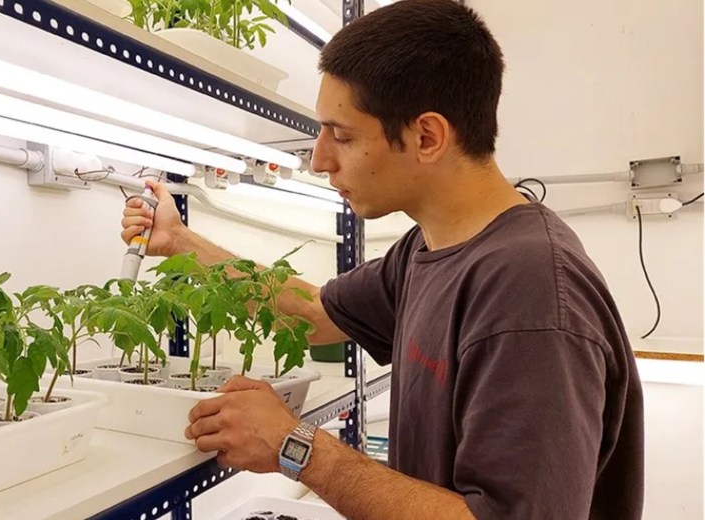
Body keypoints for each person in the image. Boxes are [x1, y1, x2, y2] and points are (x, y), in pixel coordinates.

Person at [120, 0, 644, 518]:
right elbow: (315, 312)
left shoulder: (527, 292)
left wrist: (294, 445)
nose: (321, 159)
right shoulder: (426, 248)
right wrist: (179, 241)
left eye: (342, 135)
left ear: (427, 137)